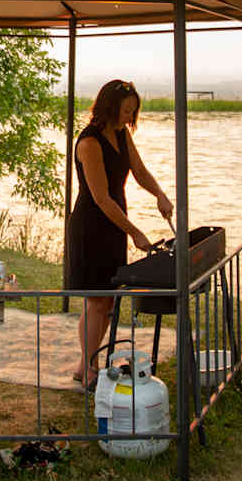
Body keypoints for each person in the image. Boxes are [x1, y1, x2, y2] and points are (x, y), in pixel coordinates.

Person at [64, 79, 173, 389]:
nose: (130, 117)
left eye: (133, 111)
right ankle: (87, 365)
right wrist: (136, 232)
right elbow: (100, 199)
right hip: (90, 226)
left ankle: (87, 360)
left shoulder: (121, 134)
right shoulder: (89, 143)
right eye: (126, 110)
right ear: (110, 107)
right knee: (96, 301)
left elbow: (138, 171)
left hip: (114, 224)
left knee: (108, 302)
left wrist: (159, 195)